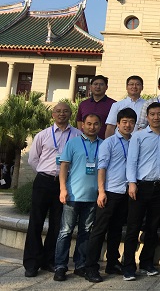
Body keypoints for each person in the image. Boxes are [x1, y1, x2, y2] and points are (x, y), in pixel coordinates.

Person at [23, 103, 81, 277]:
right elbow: (33, 159)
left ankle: (50, 260)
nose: (62, 114)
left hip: (65, 184)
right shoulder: (43, 135)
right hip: (44, 182)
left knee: (57, 224)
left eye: (65, 111)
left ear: (70, 114)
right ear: (53, 115)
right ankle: (32, 263)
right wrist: (47, 173)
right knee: (36, 222)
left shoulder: (77, 135)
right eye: (58, 111)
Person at [84, 108, 137, 283]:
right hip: (110, 192)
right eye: (124, 122)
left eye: (131, 122)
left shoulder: (134, 141)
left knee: (116, 230)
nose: (128, 125)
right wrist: (101, 192)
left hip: (125, 192)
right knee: (99, 230)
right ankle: (91, 267)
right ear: (118, 124)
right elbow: (102, 168)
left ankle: (113, 262)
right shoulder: (109, 143)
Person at [122, 102, 160, 281]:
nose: (156, 117)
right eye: (152, 114)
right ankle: (128, 266)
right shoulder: (139, 136)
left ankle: (146, 263)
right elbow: (131, 161)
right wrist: (132, 183)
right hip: (140, 187)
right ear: (147, 117)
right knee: (133, 227)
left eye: (159, 114)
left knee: (152, 226)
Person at [53, 113, 102, 282]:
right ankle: (60, 266)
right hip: (73, 195)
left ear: (100, 126)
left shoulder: (103, 144)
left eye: (95, 124)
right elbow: (64, 167)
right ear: (83, 125)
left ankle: (80, 265)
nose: (92, 127)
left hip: (92, 197)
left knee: (85, 232)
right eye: (89, 123)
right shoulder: (73, 143)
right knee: (65, 231)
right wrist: (62, 189)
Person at [76, 75, 115, 140]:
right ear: (90, 87)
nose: (98, 87)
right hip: (85, 142)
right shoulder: (83, 104)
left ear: (106, 87)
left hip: (105, 142)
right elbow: (79, 121)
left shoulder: (113, 104)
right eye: (95, 84)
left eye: (101, 84)